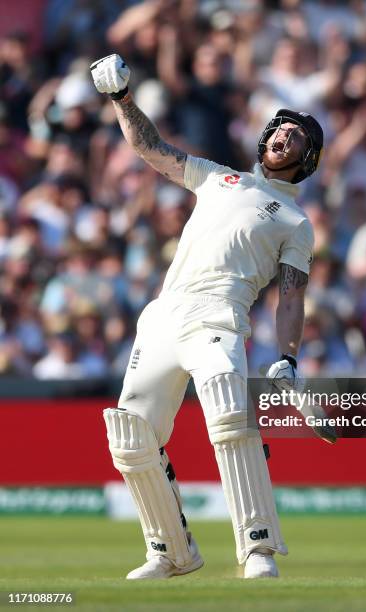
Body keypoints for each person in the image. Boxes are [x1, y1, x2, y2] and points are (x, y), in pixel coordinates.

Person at [90, 53, 323, 580]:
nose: (284, 139)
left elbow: (291, 295)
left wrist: (287, 358)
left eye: (297, 139)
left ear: (306, 161)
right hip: (164, 315)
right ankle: (171, 552)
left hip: (220, 314)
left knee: (228, 416)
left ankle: (258, 548)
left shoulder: (294, 220)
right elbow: (151, 149)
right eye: (280, 131)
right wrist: (122, 99)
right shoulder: (218, 177)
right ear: (265, 138)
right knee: (130, 434)